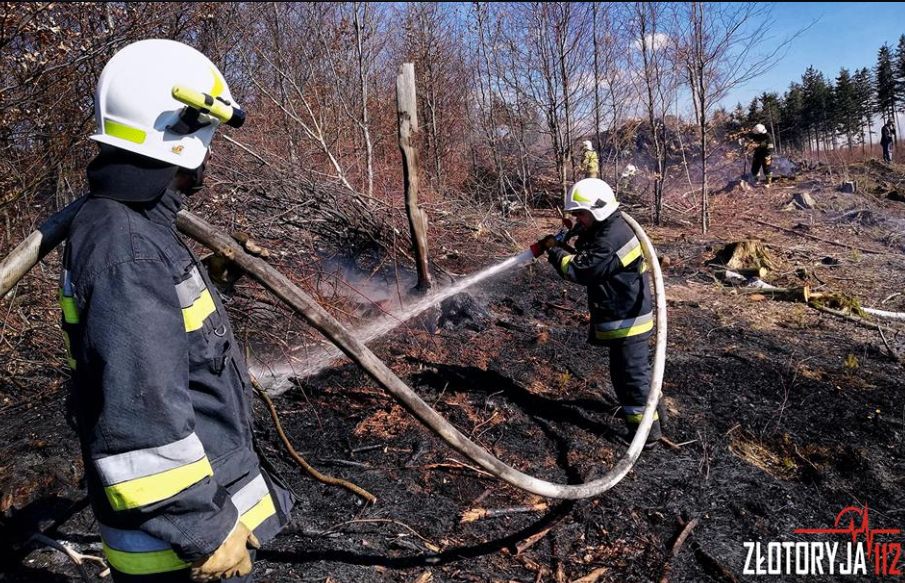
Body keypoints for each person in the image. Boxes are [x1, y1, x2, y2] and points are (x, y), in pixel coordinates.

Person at [58, 39, 294, 582]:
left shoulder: (134, 229)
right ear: (183, 132)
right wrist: (203, 529)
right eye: (208, 137)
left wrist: (211, 284)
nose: (210, 154)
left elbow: (158, 341)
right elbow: (143, 413)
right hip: (175, 550)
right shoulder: (127, 247)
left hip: (187, 527)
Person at [530, 178, 661, 446]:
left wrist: (555, 252)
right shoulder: (607, 225)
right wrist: (568, 234)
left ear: (598, 210)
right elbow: (589, 242)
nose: (578, 219)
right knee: (628, 375)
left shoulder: (614, 237)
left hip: (629, 319)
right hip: (621, 314)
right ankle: (654, 412)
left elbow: (582, 270)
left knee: (631, 379)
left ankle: (646, 434)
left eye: (581, 214)